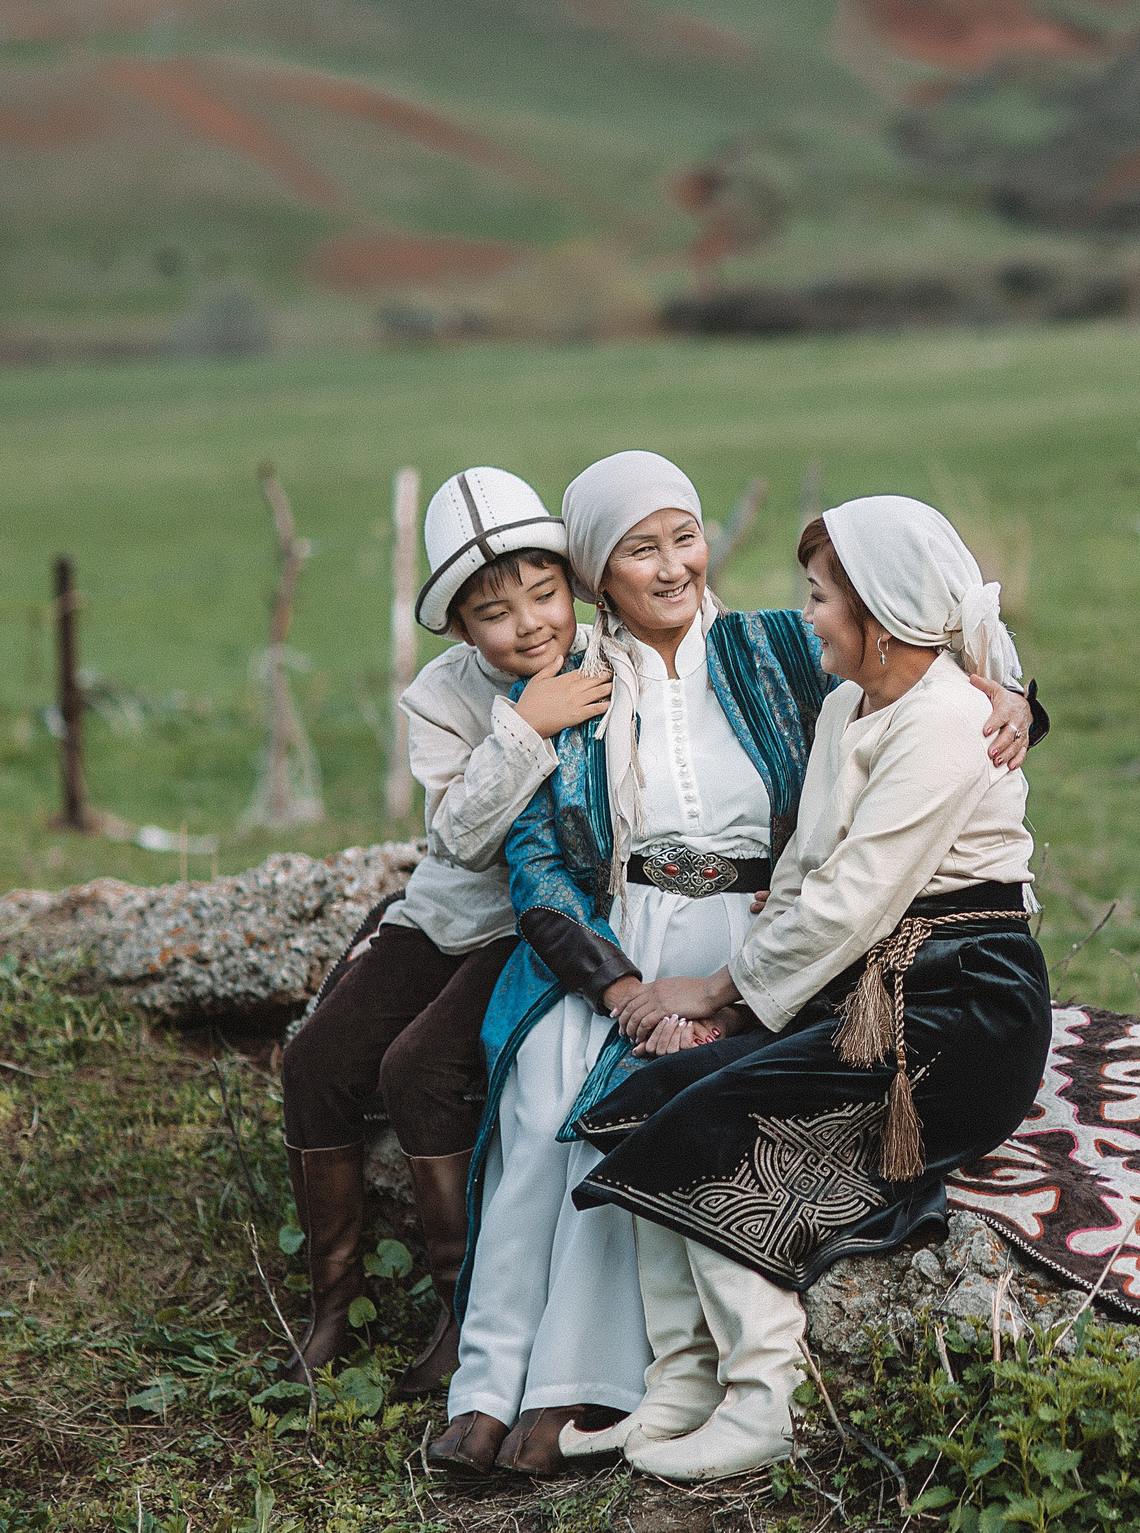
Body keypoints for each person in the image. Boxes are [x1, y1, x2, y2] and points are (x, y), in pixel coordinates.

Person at [428, 459, 1042, 1480]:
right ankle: (491, 1384)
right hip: (627, 939)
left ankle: (585, 1385)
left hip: (769, 939)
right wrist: (620, 987)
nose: (671, 567)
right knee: (543, 1110)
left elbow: (934, 633)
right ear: (595, 575)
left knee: (639, 1109)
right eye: (638, 548)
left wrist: (1014, 693)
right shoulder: (570, 677)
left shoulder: (774, 644)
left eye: (684, 537)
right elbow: (532, 857)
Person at [276, 468, 610, 1395]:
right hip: (450, 911)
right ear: (462, 626)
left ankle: (462, 1310)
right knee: (316, 1061)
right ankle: (333, 1301)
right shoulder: (441, 695)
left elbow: (722, 635)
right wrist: (524, 728)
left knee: (419, 1066)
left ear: (573, 586)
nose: (530, 623)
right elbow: (457, 838)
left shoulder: (614, 657)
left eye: (546, 594)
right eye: (495, 612)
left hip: (532, 927)